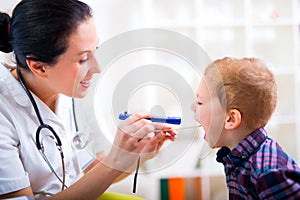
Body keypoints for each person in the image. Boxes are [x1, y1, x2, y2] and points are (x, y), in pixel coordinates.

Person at [0, 0, 175, 199]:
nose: (97, 68)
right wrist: (117, 160)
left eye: (95, 51)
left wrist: (139, 154)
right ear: (39, 67)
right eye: (83, 59)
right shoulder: (3, 112)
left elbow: (95, 170)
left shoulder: (73, 93)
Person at [191, 57, 300, 199]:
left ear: (230, 119)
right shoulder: (235, 158)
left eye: (200, 103)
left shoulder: (270, 172)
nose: (192, 107)